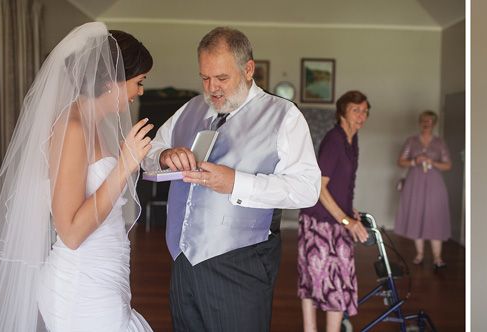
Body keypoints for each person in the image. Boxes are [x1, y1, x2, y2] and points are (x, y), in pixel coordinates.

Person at [139, 27, 321, 331]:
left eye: (222, 78)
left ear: (248, 69)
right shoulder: (190, 109)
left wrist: (237, 182)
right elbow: (149, 151)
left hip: (242, 264)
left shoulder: (284, 116)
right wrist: (164, 155)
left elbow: (307, 188)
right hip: (183, 261)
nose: (212, 88)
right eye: (205, 78)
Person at [0, 22, 154, 331]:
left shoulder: (92, 124)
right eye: (138, 81)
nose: (139, 91)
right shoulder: (72, 128)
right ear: (112, 81)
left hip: (104, 275)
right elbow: (70, 231)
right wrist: (124, 166)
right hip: (82, 286)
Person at [296, 90, 371, 332]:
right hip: (319, 222)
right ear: (342, 112)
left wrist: (351, 211)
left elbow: (341, 183)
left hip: (335, 219)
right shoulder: (335, 140)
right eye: (356, 110)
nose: (362, 116)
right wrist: (347, 221)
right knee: (330, 282)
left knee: (326, 280)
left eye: (365, 111)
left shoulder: (352, 139)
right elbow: (319, 186)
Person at [395, 110, 453, 268]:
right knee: (416, 214)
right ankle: (419, 254)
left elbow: (448, 165)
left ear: (434, 123)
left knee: (435, 216)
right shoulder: (411, 141)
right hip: (415, 182)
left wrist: (433, 163)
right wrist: (414, 161)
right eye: (423, 120)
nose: (426, 123)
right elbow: (401, 161)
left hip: (434, 183)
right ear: (420, 122)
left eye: (430, 121)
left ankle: (437, 257)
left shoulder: (439, 143)